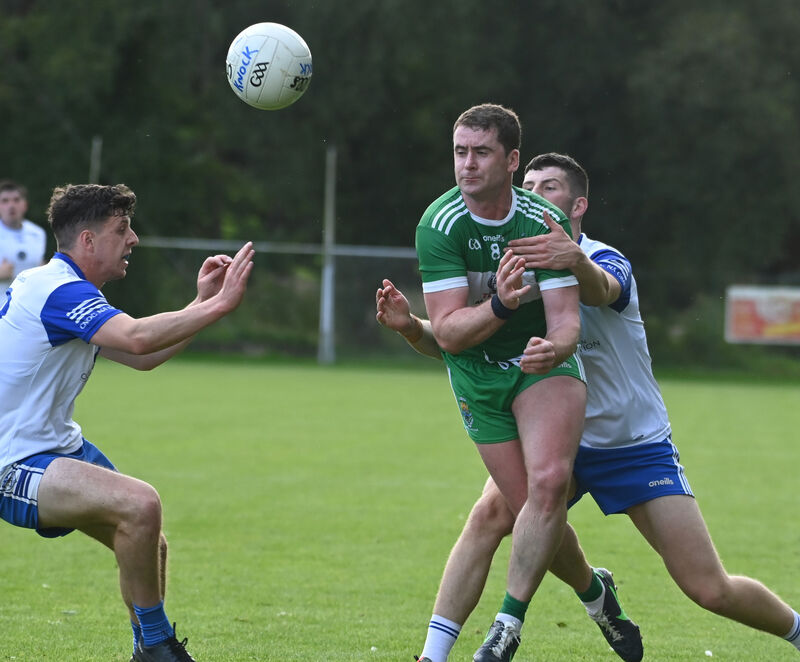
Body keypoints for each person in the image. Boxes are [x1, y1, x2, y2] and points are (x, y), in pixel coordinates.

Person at [378, 153, 800, 661]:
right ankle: (440, 651)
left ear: (578, 205)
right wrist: (410, 328)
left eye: (549, 187)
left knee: (709, 588)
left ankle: (796, 631)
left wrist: (571, 259)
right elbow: (454, 342)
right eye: (528, 184)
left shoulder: (604, 257)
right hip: (555, 434)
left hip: (632, 443)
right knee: (491, 515)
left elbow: (603, 290)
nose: (533, 194)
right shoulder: (505, 270)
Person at [0, 183, 255, 662]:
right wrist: (218, 306)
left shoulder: (66, 290)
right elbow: (137, 338)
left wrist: (200, 304)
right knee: (140, 504)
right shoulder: (58, 291)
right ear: (89, 242)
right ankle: (158, 649)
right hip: (12, 461)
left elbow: (143, 358)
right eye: (122, 229)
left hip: (52, 446)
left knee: (147, 542)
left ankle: (148, 649)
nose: (134, 239)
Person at [414, 104, 588, 662]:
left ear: (511, 160)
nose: (466, 164)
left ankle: (505, 627)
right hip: (477, 375)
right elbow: (448, 333)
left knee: (549, 483)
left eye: (481, 152)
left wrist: (554, 347)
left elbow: (567, 322)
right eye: (460, 152)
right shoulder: (439, 225)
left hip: (542, 366)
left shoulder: (542, 221)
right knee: (526, 511)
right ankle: (595, 590)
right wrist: (502, 304)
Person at [0, 180, 47, 294]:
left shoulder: (38, 233)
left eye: (16, 200)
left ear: (25, 205)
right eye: (5, 201)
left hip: (29, 306)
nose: (11, 205)